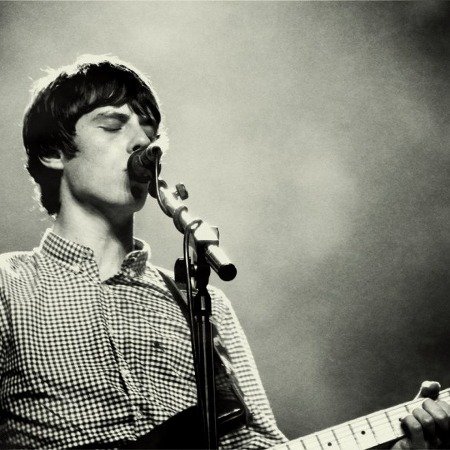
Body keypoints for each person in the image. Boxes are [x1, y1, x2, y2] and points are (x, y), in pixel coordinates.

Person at [0, 55, 448, 449]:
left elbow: (259, 443)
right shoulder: (7, 287)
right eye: (113, 125)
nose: (142, 142)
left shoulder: (199, 302)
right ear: (53, 150)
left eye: (149, 130)